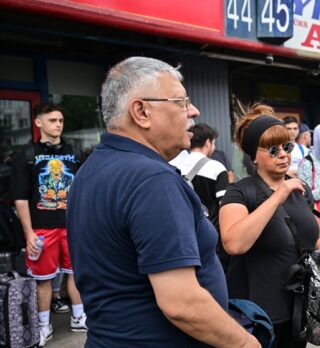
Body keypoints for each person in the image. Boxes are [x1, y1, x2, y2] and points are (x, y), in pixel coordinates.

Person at [66, 57, 259, 347]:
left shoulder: (90, 170)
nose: (193, 111)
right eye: (181, 102)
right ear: (141, 111)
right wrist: (246, 344)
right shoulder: (151, 179)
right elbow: (182, 303)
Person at [220, 104, 320, 348]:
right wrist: (277, 196)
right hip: (257, 314)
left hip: (299, 307)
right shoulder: (239, 192)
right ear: (254, 155)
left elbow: (317, 235)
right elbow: (234, 243)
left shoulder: (301, 188)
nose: (283, 154)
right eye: (273, 150)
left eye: (287, 146)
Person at [9, 102, 86, 346]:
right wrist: (29, 233)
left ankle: (78, 316)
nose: (58, 125)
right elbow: (20, 198)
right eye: (53, 120)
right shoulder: (27, 156)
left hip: (72, 228)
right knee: (43, 279)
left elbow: (84, 191)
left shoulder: (74, 153)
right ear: (38, 122)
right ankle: (43, 325)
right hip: (42, 230)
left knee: (76, 273)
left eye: (61, 121)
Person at [171, 123, 229, 225]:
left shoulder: (176, 167)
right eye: (213, 143)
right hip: (210, 232)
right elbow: (224, 205)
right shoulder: (217, 167)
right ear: (208, 142)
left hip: (185, 228)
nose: (214, 147)